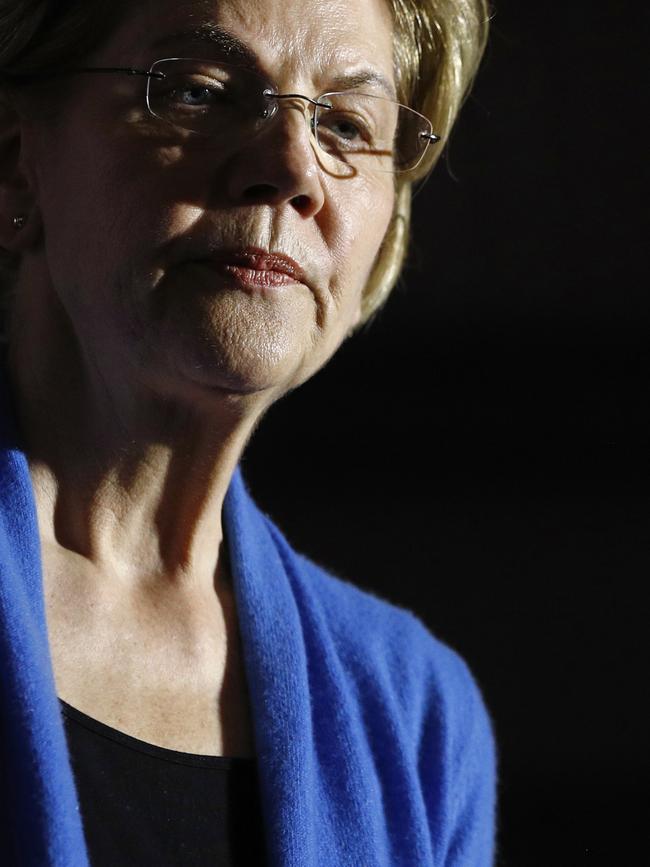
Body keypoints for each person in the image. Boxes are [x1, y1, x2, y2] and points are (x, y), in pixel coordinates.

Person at [0, 0, 495, 864]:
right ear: (15, 161)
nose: (294, 166)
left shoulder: (413, 713)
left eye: (346, 124)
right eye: (200, 91)